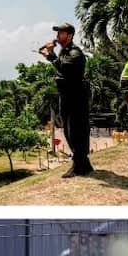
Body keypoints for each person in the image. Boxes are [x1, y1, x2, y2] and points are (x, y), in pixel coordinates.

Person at [40, 22, 94, 177]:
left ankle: (80, 165)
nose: (58, 35)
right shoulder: (64, 51)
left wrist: (51, 55)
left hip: (76, 97)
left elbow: (66, 68)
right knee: (69, 132)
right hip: (66, 96)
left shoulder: (75, 53)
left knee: (76, 131)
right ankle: (83, 164)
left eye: (61, 33)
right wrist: (49, 51)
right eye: (57, 33)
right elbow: (49, 56)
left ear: (69, 35)